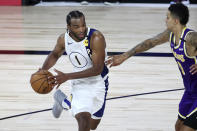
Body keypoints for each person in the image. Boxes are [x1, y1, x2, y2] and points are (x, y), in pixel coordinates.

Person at [106, 3, 197, 131]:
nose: (165, 20)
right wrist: (125, 56)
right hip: (189, 91)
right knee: (178, 127)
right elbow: (151, 42)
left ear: (176, 21)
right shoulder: (170, 34)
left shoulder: (191, 38)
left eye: (167, 17)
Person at [41, 10, 109, 131]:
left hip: (99, 82)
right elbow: (55, 54)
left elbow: (97, 69)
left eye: (83, 25)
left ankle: (62, 101)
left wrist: (67, 76)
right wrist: (42, 70)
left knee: (93, 126)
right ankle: (71, 103)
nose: (81, 29)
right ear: (68, 27)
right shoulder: (63, 39)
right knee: (84, 121)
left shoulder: (96, 38)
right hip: (80, 83)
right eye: (76, 27)